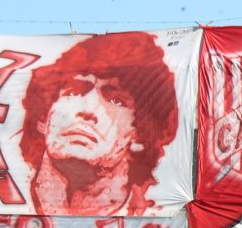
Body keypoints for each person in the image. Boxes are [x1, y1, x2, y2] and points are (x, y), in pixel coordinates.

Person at [20, 32, 178, 216]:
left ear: (137, 133)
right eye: (73, 92)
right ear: (43, 117)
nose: (88, 111)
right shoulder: (5, 192)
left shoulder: (158, 211)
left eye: (116, 101)